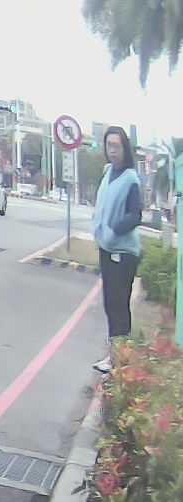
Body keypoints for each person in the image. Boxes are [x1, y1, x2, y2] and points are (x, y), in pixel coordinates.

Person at [93, 125, 144, 373]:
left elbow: (135, 215)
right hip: (106, 248)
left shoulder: (131, 179)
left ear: (125, 148)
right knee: (109, 304)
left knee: (118, 305)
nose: (112, 150)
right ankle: (116, 356)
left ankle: (120, 359)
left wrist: (114, 230)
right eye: (109, 145)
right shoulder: (107, 172)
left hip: (123, 253)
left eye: (116, 146)